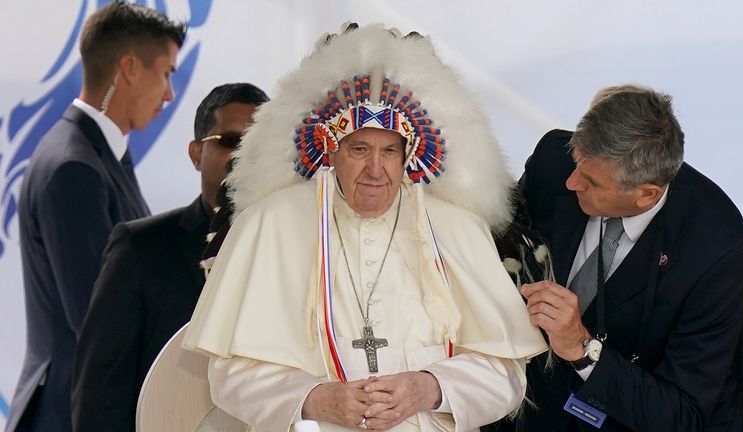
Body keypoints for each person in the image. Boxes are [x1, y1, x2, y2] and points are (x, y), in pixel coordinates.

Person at [182, 23, 547, 431]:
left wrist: (428, 388)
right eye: (359, 149)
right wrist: (316, 399)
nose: (376, 170)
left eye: (390, 151)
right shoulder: (270, 224)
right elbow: (230, 375)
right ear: (330, 151)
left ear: (408, 154)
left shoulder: (457, 229)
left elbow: (505, 374)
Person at [516, 85, 743, 431]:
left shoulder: (716, 253)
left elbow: (683, 415)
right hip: (524, 404)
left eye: (591, 182)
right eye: (576, 162)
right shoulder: (553, 158)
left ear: (647, 194)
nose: (571, 183)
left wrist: (582, 348)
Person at [7, 3, 186, 431]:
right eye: (166, 73)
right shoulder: (76, 168)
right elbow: (97, 319)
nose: (169, 94)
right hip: (69, 415)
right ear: (129, 68)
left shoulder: (95, 156)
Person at [70, 83, 269, 432]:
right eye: (229, 141)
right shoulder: (139, 248)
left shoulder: (296, 250)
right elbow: (100, 395)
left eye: (258, 145)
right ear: (195, 154)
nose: (243, 157)